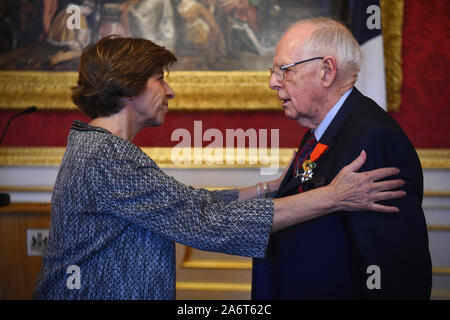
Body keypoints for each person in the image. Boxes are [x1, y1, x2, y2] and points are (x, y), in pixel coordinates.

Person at [33, 35, 405, 300]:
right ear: (128, 88)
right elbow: (205, 223)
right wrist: (333, 197)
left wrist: (273, 186)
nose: (170, 91)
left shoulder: (99, 148)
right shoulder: (107, 157)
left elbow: (188, 205)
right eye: (160, 79)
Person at [252, 17, 432, 300]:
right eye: (274, 70)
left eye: (283, 70)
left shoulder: (373, 139)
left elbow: (391, 270)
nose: (273, 82)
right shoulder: (323, 130)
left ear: (326, 71)